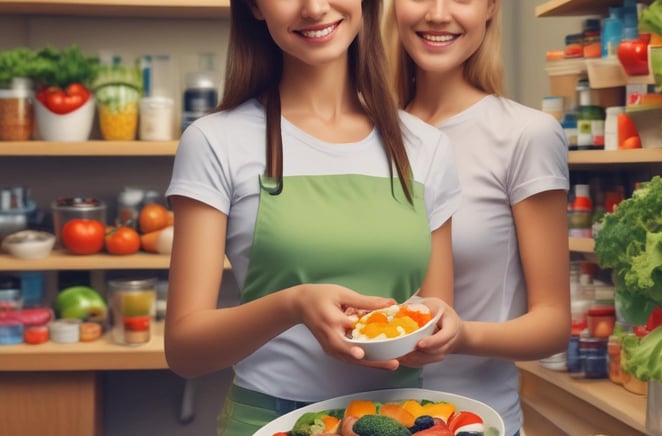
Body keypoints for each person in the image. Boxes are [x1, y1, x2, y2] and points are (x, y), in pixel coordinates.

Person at [163, 0, 462, 434]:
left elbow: (433, 314)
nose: (315, 7)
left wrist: (439, 331)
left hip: (401, 421)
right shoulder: (215, 142)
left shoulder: (426, 147)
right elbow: (186, 351)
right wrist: (293, 304)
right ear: (255, 7)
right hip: (271, 421)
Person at [384, 1, 572, 434]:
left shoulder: (526, 135)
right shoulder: (365, 134)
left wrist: (459, 335)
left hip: (475, 421)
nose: (437, 13)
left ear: (490, 8)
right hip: (364, 415)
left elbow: (552, 324)